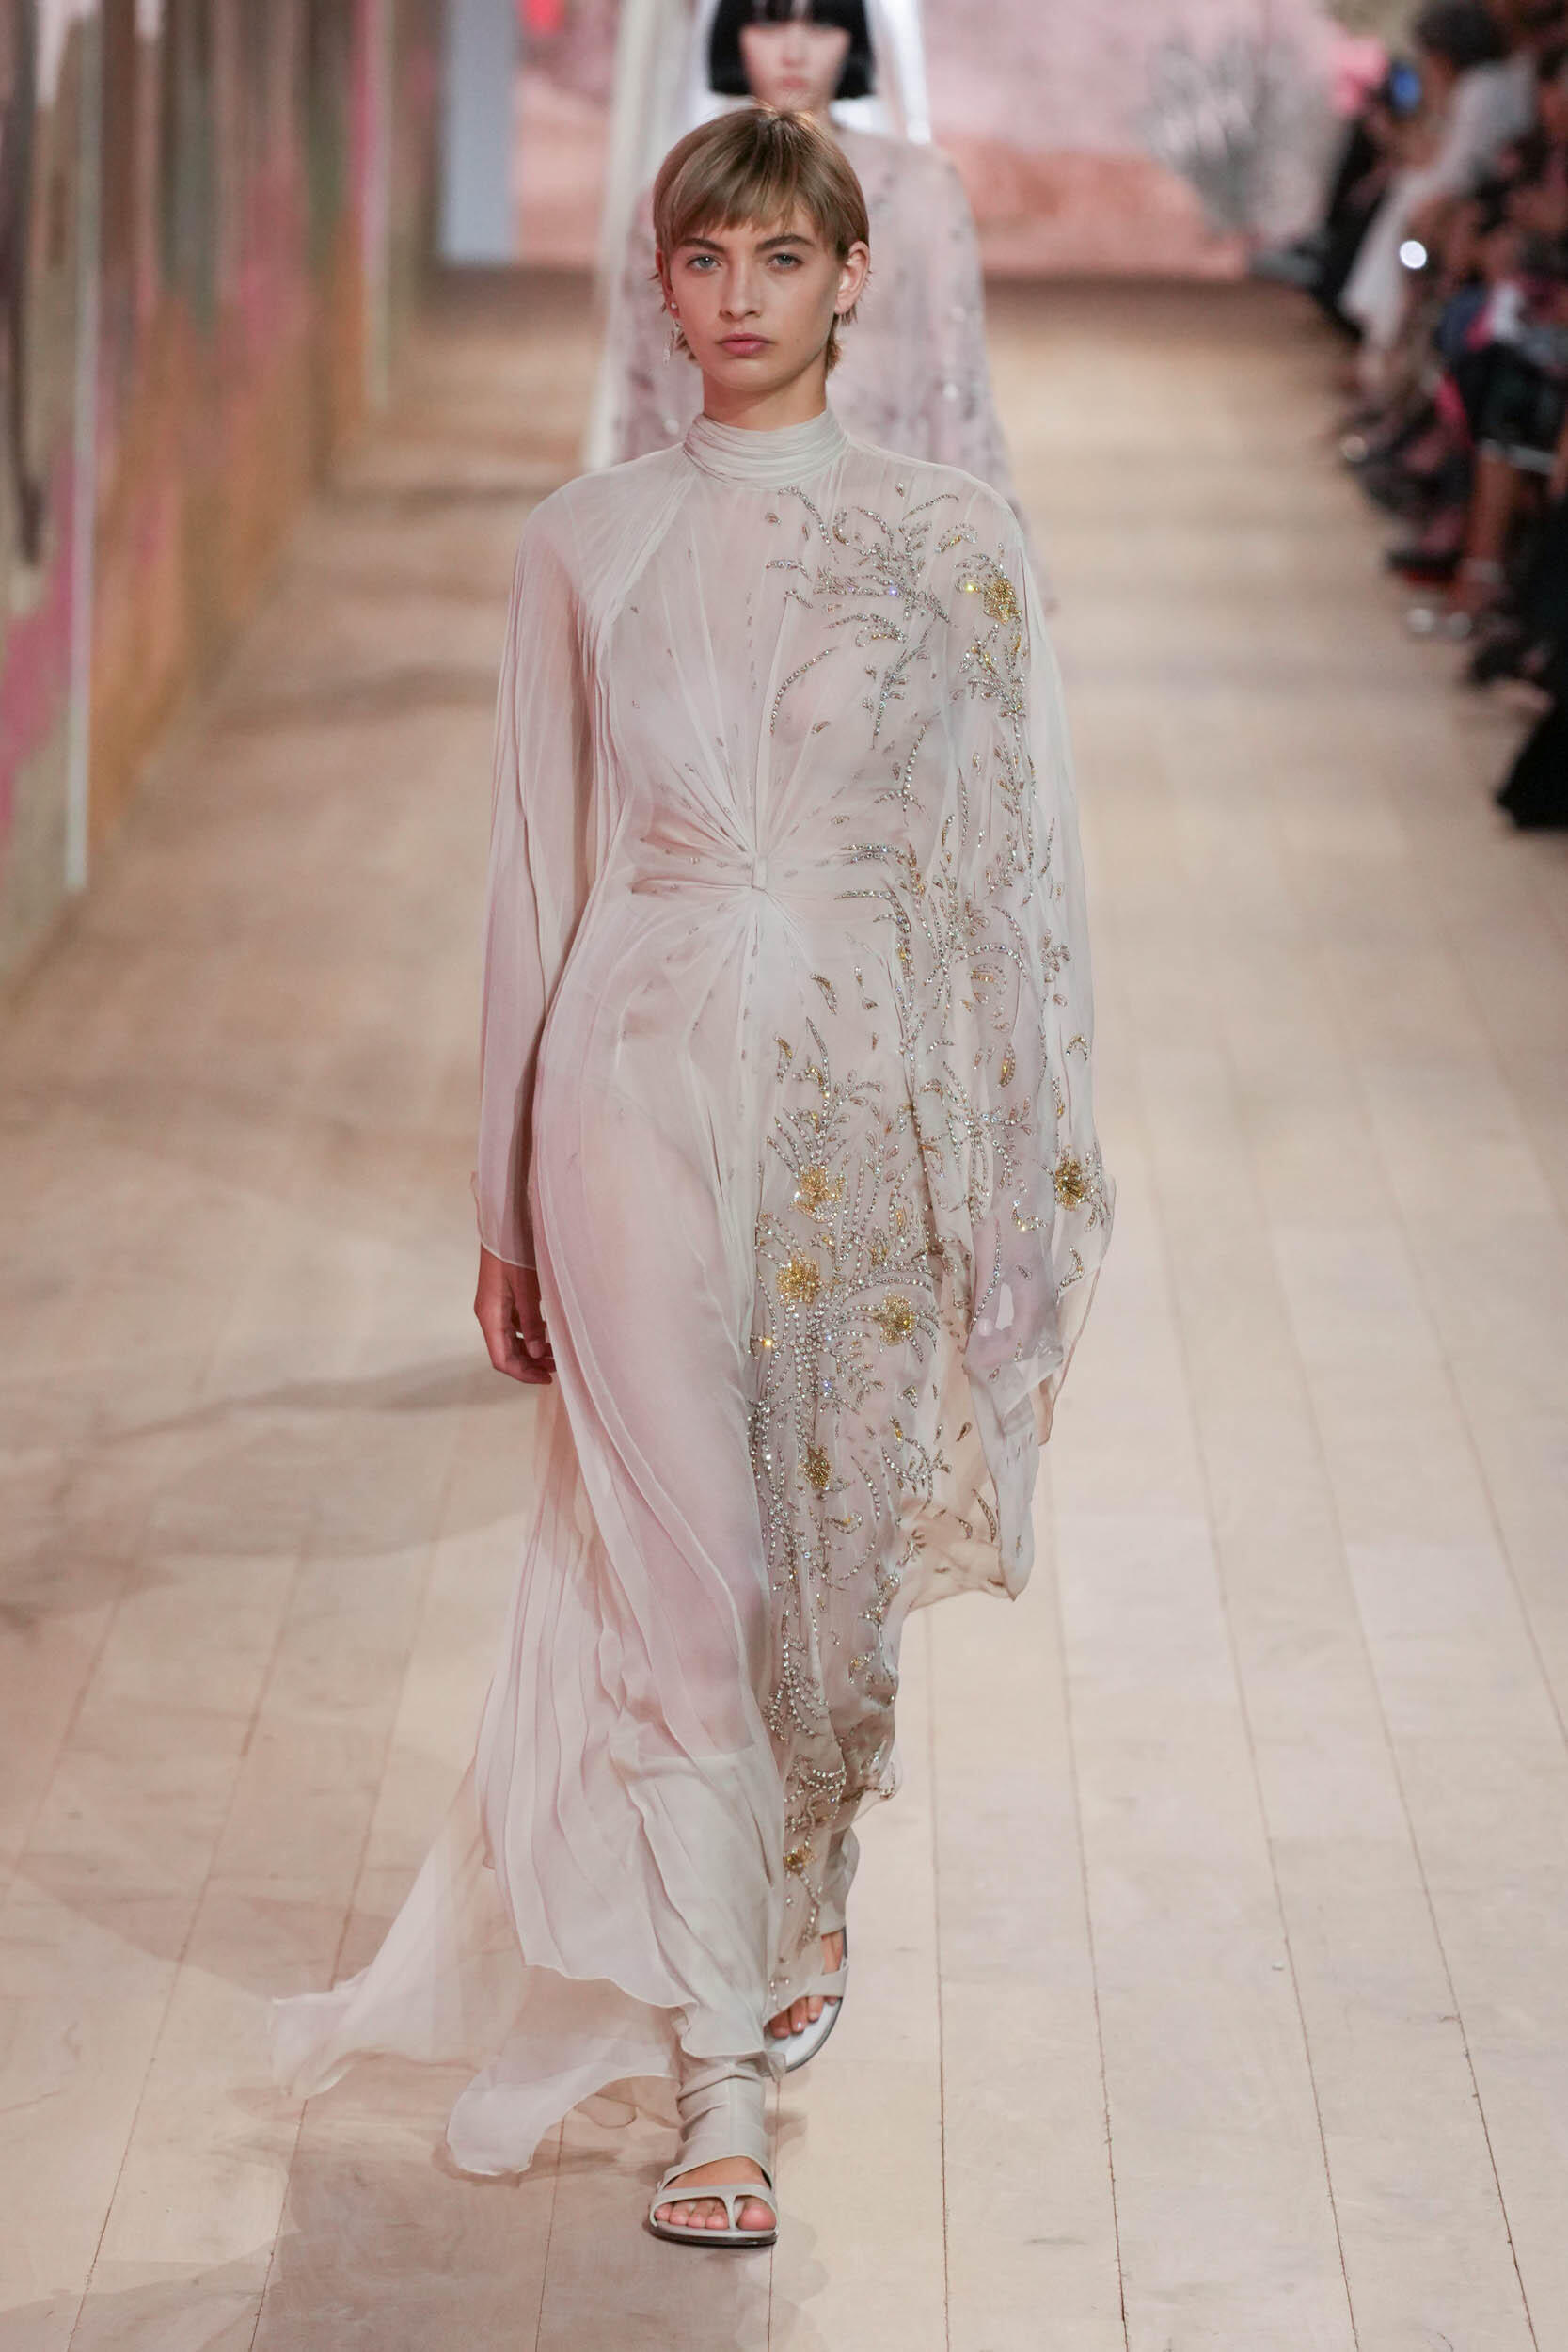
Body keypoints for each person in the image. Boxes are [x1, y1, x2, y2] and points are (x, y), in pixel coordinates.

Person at [273, 106, 1109, 2252]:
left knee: (821, 1589)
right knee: (699, 1581)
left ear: (853, 279)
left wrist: (1012, 1184)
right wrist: (498, 1203)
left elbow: (1009, 891)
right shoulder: (583, 542)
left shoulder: (952, 545)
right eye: (703, 260)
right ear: (659, 286)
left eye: (780, 259)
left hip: (861, 1111)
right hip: (625, 1088)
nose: (738, 298)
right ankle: (713, 2081)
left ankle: (794, 1876)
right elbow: (530, 879)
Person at [598, 0, 1024, 527]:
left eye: (821, 22)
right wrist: (641, 532)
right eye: (770, 22)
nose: (794, 52)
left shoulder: (922, 187)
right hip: (720, 511)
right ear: (733, 31)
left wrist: (972, 540)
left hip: (885, 516)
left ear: (853, 36)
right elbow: (649, 385)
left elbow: (955, 377)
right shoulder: (671, 199)